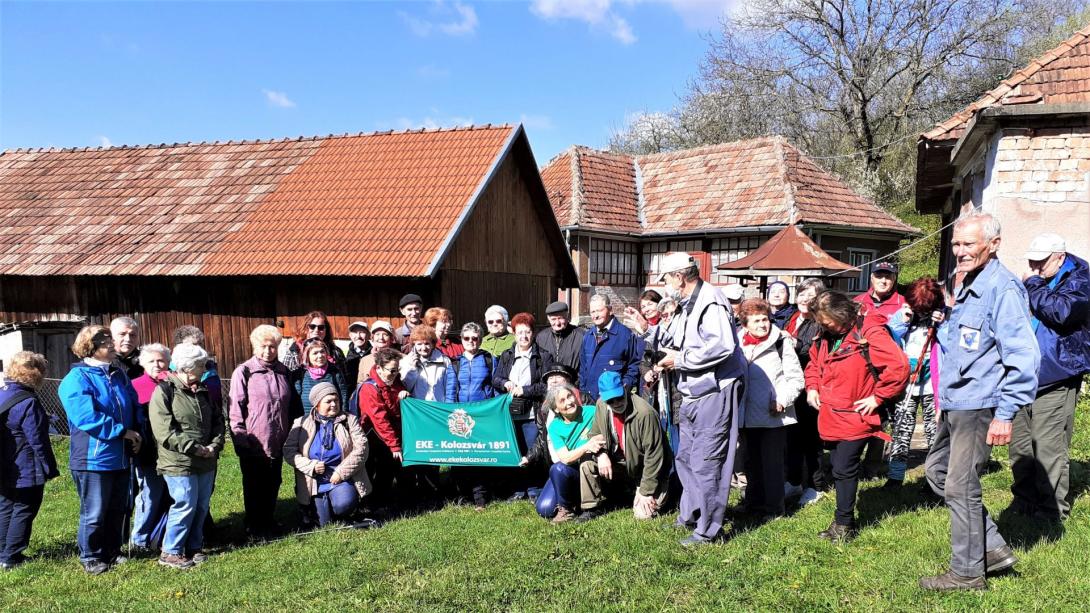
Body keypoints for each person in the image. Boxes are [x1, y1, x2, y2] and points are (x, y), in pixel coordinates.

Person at [920, 210, 1040, 591]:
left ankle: (968, 572)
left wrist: (1005, 413)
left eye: (968, 243)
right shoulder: (968, 282)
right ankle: (991, 548)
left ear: (994, 244)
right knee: (937, 472)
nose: (960, 251)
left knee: (960, 485)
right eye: (956, 243)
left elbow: (1023, 357)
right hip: (956, 400)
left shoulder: (1002, 288)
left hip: (979, 405)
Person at [656, 252, 747, 546]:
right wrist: (648, 332)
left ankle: (708, 530)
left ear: (680, 277)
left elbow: (722, 345)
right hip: (694, 392)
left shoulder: (711, 301)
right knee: (686, 457)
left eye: (666, 278)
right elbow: (679, 341)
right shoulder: (687, 304)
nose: (665, 284)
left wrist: (680, 360)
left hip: (715, 391)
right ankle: (691, 514)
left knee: (708, 462)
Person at [804, 291, 908, 543]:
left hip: (857, 415)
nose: (825, 326)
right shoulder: (826, 335)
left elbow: (899, 367)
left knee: (843, 468)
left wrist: (878, 397)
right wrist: (813, 387)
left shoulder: (869, 332)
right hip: (831, 413)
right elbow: (814, 365)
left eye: (828, 321)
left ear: (842, 314)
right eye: (822, 322)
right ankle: (842, 519)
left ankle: (844, 524)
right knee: (841, 468)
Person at [1010, 233, 1090, 521]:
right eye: (1031, 261)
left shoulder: (1080, 279)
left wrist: (1032, 284)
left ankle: (1051, 510)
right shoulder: (1040, 277)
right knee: (1020, 445)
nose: (1034, 267)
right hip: (1023, 374)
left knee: (1048, 445)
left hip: (1057, 373)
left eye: (1040, 262)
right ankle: (1023, 499)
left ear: (1059, 257)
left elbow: (1062, 312)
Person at [58, 325, 141, 574]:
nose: (114, 345)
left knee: (118, 508)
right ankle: (91, 556)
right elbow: (86, 417)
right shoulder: (76, 379)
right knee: (94, 512)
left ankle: (112, 552)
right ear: (91, 347)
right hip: (93, 458)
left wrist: (137, 431)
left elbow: (133, 403)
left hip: (121, 455)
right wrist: (121, 432)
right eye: (107, 342)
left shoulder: (118, 375)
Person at [148, 344, 224, 570]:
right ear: (189, 367)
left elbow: (218, 421)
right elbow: (164, 431)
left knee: (201, 505)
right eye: (202, 365)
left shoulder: (203, 390)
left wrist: (214, 445)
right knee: (184, 504)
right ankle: (171, 551)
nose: (205, 368)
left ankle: (193, 546)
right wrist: (194, 448)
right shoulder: (164, 391)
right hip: (179, 462)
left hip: (206, 460)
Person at [736, 299, 805, 520]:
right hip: (745, 414)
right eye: (756, 320)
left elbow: (796, 378)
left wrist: (783, 400)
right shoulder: (736, 343)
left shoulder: (781, 341)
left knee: (772, 465)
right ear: (745, 324)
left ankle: (774, 509)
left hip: (772, 413)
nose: (762, 324)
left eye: (765, 319)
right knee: (750, 462)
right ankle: (752, 504)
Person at [576, 371, 672, 523]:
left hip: (645, 468)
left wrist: (646, 491)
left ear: (625, 388)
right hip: (619, 463)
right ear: (602, 397)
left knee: (643, 515)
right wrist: (601, 454)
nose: (616, 403)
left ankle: (669, 488)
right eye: (611, 401)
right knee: (587, 463)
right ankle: (591, 508)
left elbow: (654, 456)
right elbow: (594, 435)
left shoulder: (645, 413)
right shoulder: (601, 406)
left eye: (619, 397)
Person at [229, 324, 294, 539]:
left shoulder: (284, 372)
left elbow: (289, 406)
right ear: (255, 346)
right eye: (263, 346)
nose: (268, 351)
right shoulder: (245, 371)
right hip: (254, 439)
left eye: (273, 346)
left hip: (278, 438)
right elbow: (236, 407)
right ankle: (254, 525)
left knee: (274, 481)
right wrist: (240, 438)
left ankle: (268, 520)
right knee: (255, 484)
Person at [0, 352, 59, 570]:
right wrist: (50, 468)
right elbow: (38, 440)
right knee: (25, 507)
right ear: (35, 374)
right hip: (26, 464)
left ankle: (2, 552)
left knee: (6, 507)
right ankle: (12, 556)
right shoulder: (28, 401)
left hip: (4, 463)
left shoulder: (2, 394)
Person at [283, 382, 371, 527]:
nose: (334, 404)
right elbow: (288, 451)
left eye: (336, 400)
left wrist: (341, 473)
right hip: (315, 480)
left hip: (341, 478)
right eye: (328, 401)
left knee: (344, 504)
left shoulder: (350, 420)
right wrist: (310, 466)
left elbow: (362, 449)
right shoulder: (301, 423)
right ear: (316, 404)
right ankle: (313, 507)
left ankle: (343, 506)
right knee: (324, 523)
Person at [885, 277, 946, 488]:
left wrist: (943, 324)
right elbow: (890, 339)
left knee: (933, 430)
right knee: (901, 427)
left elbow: (950, 345)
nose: (921, 312)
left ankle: (933, 479)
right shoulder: (902, 314)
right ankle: (895, 477)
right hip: (907, 380)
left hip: (933, 381)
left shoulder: (944, 316)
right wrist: (903, 320)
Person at [495, 313, 555, 500]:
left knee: (532, 452)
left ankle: (535, 488)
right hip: (510, 414)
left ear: (533, 333)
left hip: (531, 413)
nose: (523, 336)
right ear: (514, 334)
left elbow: (547, 385)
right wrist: (505, 383)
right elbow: (495, 378)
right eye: (519, 332)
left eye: (527, 332)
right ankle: (518, 489)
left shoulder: (544, 356)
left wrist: (526, 390)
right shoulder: (507, 355)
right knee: (515, 451)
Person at [783, 278, 827, 503]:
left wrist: (795, 344)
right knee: (792, 436)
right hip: (792, 386)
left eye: (811, 297)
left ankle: (815, 485)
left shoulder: (820, 323)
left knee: (812, 438)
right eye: (802, 294)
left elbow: (814, 354)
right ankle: (792, 481)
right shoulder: (793, 318)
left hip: (811, 386)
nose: (804, 300)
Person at [534, 383, 601, 522]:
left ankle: (567, 510)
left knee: (560, 469)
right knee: (544, 508)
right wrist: (586, 446)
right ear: (556, 409)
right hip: (570, 470)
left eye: (569, 396)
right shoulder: (554, 427)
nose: (569, 402)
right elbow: (565, 458)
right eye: (562, 401)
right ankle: (570, 504)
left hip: (591, 467)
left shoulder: (592, 411)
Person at [128, 343, 172, 553]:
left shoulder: (173, 383)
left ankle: (162, 536)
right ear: (143, 363)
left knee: (172, 495)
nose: (157, 364)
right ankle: (140, 539)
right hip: (148, 452)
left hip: (172, 450)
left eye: (161, 360)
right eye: (152, 361)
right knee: (150, 494)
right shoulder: (134, 386)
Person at [357, 347, 409, 512]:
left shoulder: (395, 381)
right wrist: (394, 444)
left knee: (386, 467)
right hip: (372, 435)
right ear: (378, 368)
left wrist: (403, 393)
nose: (394, 374)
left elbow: (396, 408)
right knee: (369, 468)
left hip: (388, 434)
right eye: (391, 370)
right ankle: (365, 503)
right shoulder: (369, 388)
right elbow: (380, 419)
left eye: (397, 370)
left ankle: (382, 499)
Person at [451, 322, 496, 510]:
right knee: (460, 457)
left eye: (475, 338)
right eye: (467, 338)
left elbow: (495, 386)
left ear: (481, 339)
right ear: (461, 339)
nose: (471, 341)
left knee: (479, 457)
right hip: (460, 414)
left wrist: (496, 409)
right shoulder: (454, 362)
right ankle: (463, 495)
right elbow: (450, 390)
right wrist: (450, 413)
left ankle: (480, 497)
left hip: (482, 413)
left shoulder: (489, 359)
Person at [578, 294, 641, 403]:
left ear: (610, 310)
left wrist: (624, 387)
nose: (596, 315)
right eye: (593, 312)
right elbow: (583, 369)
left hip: (614, 400)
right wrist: (583, 392)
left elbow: (634, 366)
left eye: (599, 311)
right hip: (589, 401)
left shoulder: (625, 335)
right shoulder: (588, 336)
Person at [291, 339, 348, 417]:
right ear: (307, 356)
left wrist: (343, 416)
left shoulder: (335, 371)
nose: (320, 355)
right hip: (308, 420)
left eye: (322, 351)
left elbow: (343, 396)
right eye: (315, 353)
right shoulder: (300, 374)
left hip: (331, 420)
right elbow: (295, 400)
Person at [399, 326, 457, 402]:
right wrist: (413, 368)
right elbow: (405, 388)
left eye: (427, 343)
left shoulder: (444, 361)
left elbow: (450, 387)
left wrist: (448, 405)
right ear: (414, 345)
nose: (423, 348)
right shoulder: (406, 361)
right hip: (418, 408)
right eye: (419, 344)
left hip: (438, 407)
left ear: (433, 344)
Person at [171, 325, 223, 408]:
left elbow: (216, 397)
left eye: (200, 344)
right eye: (194, 345)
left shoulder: (210, 368)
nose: (198, 348)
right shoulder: (171, 371)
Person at [282, 311, 347, 375]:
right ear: (305, 328)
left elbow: (345, 375)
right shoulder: (294, 352)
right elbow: (287, 379)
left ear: (326, 330)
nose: (316, 330)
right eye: (312, 326)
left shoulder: (335, 351)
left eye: (321, 327)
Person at [534, 301, 585, 369]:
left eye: (560, 318)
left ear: (567, 317)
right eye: (553, 319)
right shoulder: (541, 337)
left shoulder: (581, 336)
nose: (557, 323)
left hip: (573, 379)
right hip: (548, 379)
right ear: (549, 319)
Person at [356, 320, 395, 385]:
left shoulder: (400, 359)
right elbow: (360, 384)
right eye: (377, 334)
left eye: (385, 334)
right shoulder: (364, 360)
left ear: (391, 339)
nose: (381, 338)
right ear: (372, 338)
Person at [343, 321, 372, 386]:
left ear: (368, 335)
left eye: (362, 332)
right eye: (355, 332)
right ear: (350, 335)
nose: (358, 336)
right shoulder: (344, 356)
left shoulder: (373, 354)